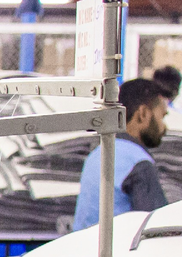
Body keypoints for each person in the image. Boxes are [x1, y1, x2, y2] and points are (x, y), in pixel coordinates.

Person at [72, 77, 173, 229]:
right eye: (162, 116)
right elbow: (157, 230)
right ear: (143, 113)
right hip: (117, 251)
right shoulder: (138, 162)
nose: (164, 127)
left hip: (86, 248)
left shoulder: (99, 153)